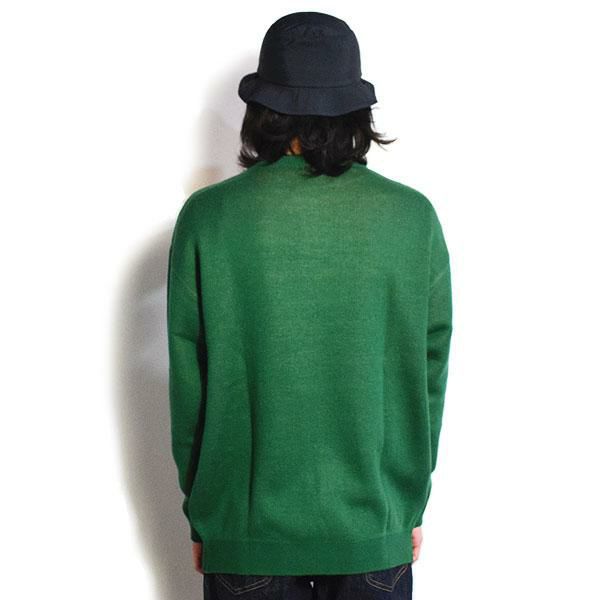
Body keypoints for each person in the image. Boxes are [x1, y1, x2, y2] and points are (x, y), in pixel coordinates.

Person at [166, 11, 453, 600]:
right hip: (373, 529)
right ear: (356, 109)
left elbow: (188, 384)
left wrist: (206, 518)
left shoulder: (208, 218)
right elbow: (428, 377)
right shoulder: (411, 218)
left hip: (246, 535)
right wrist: (406, 506)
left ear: (262, 110)